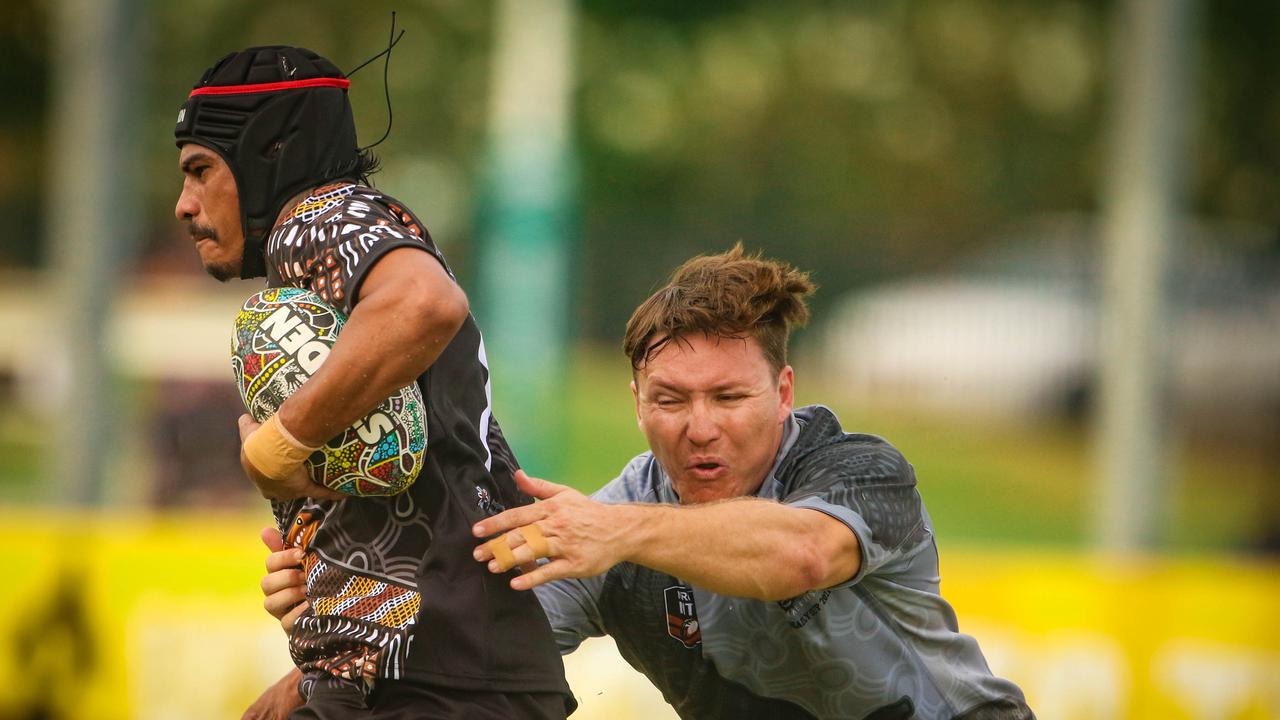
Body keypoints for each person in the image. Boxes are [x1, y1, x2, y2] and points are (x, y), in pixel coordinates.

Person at [261, 246, 1036, 719]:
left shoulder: (860, 471)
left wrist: (618, 534)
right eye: (670, 399)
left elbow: (799, 556)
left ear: (785, 392)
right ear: (637, 402)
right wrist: (340, 606)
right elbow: (471, 648)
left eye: (730, 397)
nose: (699, 426)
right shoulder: (606, 528)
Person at [173, 45, 572, 719]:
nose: (184, 205)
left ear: (268, 153)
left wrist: (279, 444)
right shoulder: (326, 250)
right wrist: (320, 649)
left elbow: (427, 303)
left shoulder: (317, 218)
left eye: (200, 170)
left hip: (446, 682)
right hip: (412, 671)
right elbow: (408, 497)